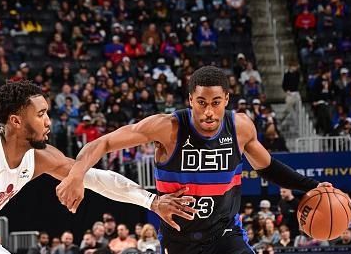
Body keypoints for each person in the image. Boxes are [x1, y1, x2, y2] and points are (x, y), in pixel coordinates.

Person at [57, 66, 332, 254]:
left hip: (225, 234)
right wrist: (76, 175)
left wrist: (312, 186)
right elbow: (102, 142)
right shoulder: (167, 127)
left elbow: (268, 167)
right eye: (201, 102)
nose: (209, 111)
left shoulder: (241, 128)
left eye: (216, 102)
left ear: (227, 99)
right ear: (190, 99)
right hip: (180, 239)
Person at [0, 81, 195, 254]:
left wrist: (152, 202)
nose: (48, 121)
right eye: (40, 114)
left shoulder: (39, 157)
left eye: (47, 112)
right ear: (16, 121)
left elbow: (98, 180)